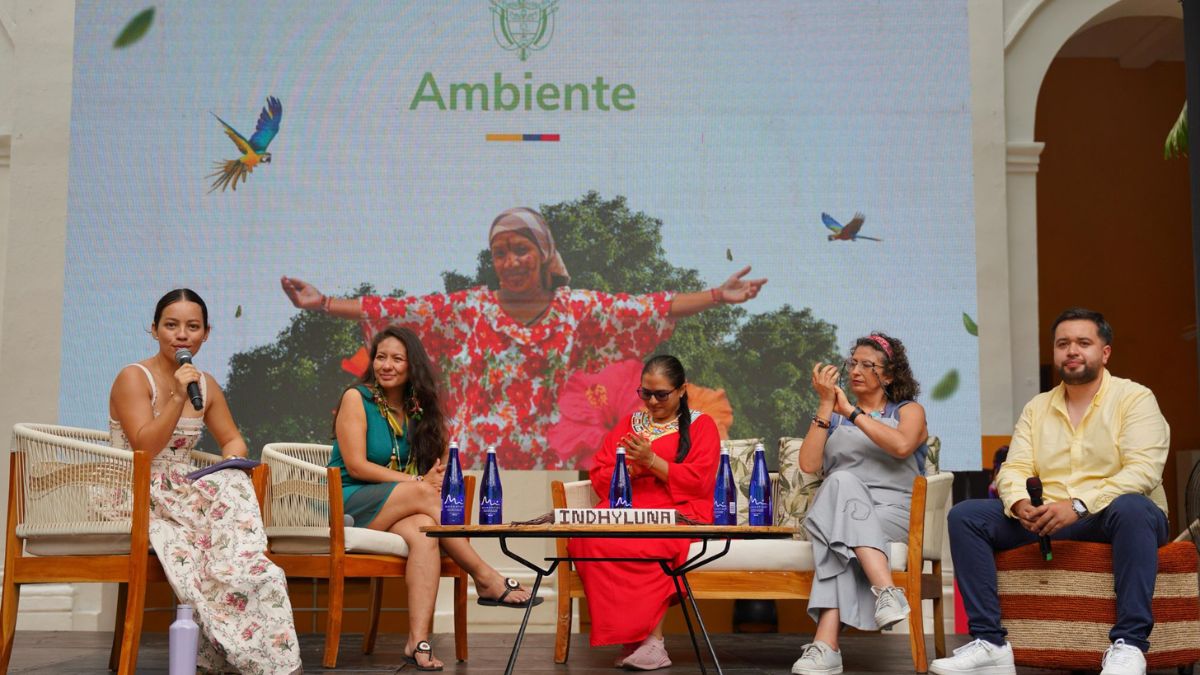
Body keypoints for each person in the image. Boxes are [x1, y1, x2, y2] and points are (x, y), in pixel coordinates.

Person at [281, 206, 766, 469]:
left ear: (543, 252)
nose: (509, 262)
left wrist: (717, 297)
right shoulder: (467, 310)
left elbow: (646, 307)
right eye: (499, 253)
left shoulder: (578, 309)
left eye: (520, 249)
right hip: (475, 462)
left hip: (551, 464)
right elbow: (399, 310)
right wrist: (323, 303)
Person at [930, 308, 1169, 675]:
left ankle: (1130, 646)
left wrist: (1078, 504)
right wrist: (1020, 502)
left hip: (1115, 516)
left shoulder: (1135, 399)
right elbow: (1014, 468)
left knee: (1133, 506)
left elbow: (1143, 471)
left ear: (1105, 352)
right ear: (1055, 353)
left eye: (1083, 342)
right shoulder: (1037, 408)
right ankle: (991, 644)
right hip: (1049, 517)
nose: (1072, 350)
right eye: (1063, 344)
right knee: (966, 516)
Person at [327, 325, 542, 671]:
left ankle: (417, 640)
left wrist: (431, 466)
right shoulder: (357, 397)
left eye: (397, 359)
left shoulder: (419, 411)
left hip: (396, 505)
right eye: (381, 357)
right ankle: (486, 576)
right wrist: (417, 482)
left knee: (425, 530)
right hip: (349, 503)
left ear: (413, 366)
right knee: (424, 496)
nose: (387, 365)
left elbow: (440, 470)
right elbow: (356, 465)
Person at [108, 289, 301, 675]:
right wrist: (178, 397)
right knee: (198, 553)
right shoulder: (134, 377)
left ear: (206, 334)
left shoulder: (207, 385)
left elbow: (233, 440)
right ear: (154, 330)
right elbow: (144, 448)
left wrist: (230, 461)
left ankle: (259, 631)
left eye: (192, 327)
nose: (182, 335)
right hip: (139, 489)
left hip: (185, 492)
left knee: (243, 546)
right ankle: (230, 649)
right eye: (171, 325)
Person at [568, 355, 721, 671]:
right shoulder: (629, 424)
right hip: (628, 507)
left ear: (681, 390)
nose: (652, 401)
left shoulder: (701, 424)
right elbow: (600, 474)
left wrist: (653, 462)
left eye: (661, 394)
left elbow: (702, 481)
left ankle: (653, 642)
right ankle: (634, 639)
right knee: (587, 539)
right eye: (645, 393)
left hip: (677, 510)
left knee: (646, 542)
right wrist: (634, 468)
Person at [790, 333, 929, 675]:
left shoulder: (908, 411)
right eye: (853, 362)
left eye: (868, 365)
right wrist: (826, 406)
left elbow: (900, 446)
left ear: (891, 375)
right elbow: (808, 464)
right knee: (840, 482)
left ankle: (826, 645)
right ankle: (886, 590)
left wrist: (850, 412)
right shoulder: (833, 416)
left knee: (837, 536)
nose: (856, 370)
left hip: (892, 514)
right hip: (841, 514)